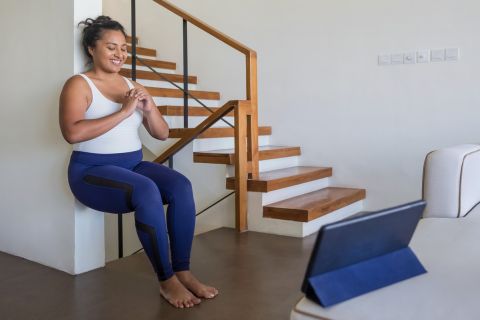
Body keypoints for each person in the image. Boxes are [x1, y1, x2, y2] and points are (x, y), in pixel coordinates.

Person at [59, 15, 218, 309]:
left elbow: (161, 133)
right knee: (146, 190)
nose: (120, 54)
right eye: (111, 47)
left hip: (131, 165)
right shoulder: (79, 85)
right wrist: (123, 111)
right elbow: (72, 132)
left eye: (124, 48)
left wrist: (148, 108)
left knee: (180, 185)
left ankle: (182, 269)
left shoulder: (131, 84)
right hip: (90, 172)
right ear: (92, 49)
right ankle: (166, 280)